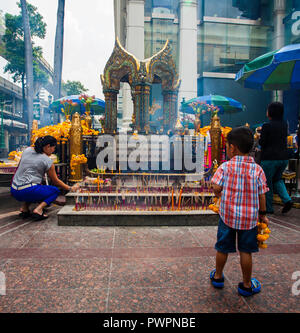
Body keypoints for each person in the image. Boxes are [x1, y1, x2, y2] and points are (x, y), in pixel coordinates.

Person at [210, 127, 269, 297]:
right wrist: (263, 215)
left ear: (232, 148)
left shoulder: (225, 167)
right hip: (249, 219)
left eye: (227, 146)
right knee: (246, 251)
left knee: (222, 248)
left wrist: (218, 193)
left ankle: (218, 276)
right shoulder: (257, 170)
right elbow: (262, 195)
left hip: (227, 216)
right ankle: (246, 284)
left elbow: (216, 186)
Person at [11, 135, 79, 221]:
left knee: (34, 185)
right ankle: (38, 210)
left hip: (14, 190)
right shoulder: (47, 161)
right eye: (53, 148)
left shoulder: (27, 150)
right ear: (48, 147)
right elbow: (56, 181)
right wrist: (70, 188)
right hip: (27, 191)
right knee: (55, 191)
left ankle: (24, 208)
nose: (53, 150)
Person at [259, 102, 293, 214]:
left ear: (271, 112)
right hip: (283, 158)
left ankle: (268, 208)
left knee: (266, 183)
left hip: (269, 159)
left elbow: (262, 143)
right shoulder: (284, 124)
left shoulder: (266, 126)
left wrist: (260, 136)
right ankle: (287, 200)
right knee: (277, 179)